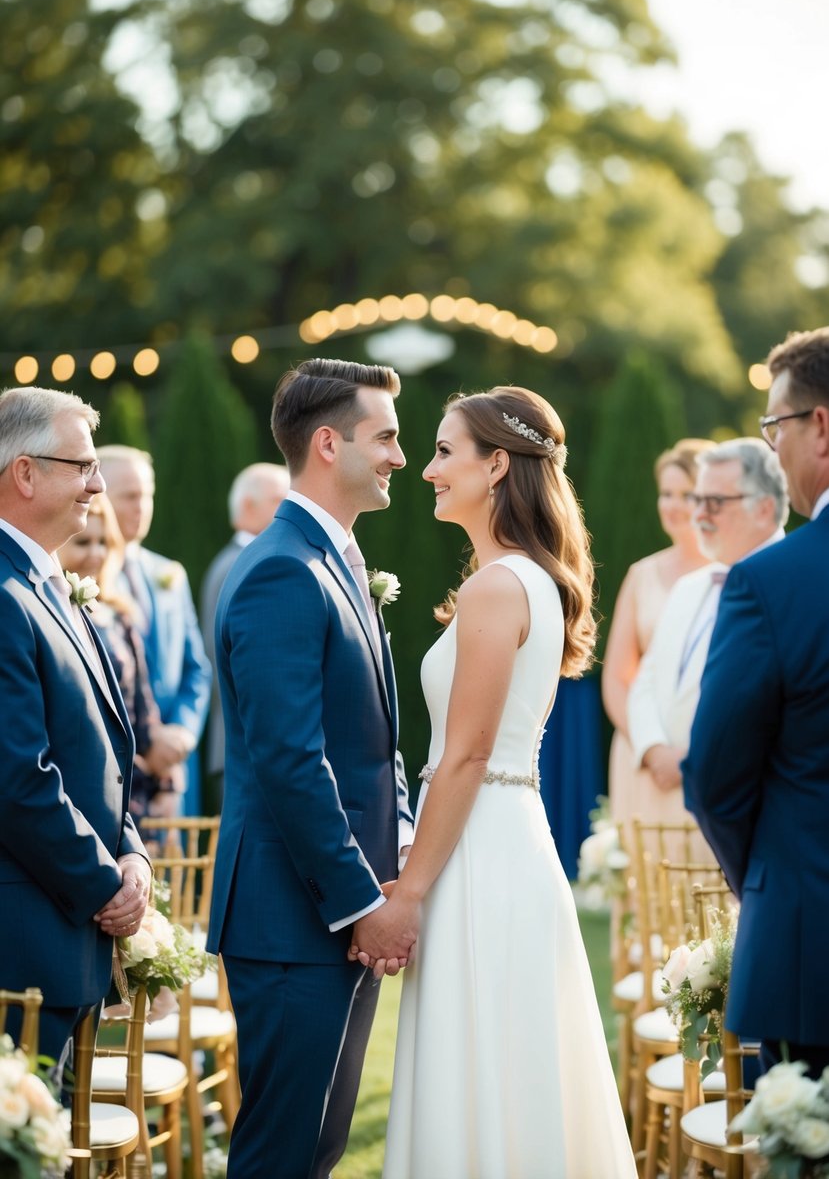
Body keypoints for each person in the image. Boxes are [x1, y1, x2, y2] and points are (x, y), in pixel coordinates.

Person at [372, 386, 636, 1178]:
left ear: (495, 465)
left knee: (480, 1045)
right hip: (499, 838)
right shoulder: (525, 579)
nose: (426, 470)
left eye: (444, 452)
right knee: (507, 1057)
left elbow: (464, 755)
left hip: (479, 849)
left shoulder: (498, 587)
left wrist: (408, 892)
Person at [206, 359, 413, 1179]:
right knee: (281, 1153)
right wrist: (360, 901)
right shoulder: (283, 571)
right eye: (387, 437)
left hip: (333, 910)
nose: (399, 455)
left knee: (319, 1148)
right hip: (292, 918)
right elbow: (291, 763)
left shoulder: (338, 561)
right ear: (329, 444)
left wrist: (389, 861)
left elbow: (371, 744)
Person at [684, 327, 829, 1078]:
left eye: (774, 425)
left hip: (810, 947)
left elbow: (713, 773)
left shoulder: (771, 583)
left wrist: (766, 879)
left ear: (820, 427)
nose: (771, 446)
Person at [0, 387, 150, 1069]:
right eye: (82, 466)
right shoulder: (5, 596)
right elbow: (16, 776)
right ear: (24, 473)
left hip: (65, 934)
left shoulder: (49, 580)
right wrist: (104, 883)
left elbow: (103, 752)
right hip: (25, 939)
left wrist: (134, 854)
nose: (99, 485)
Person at [627, 438, 788, 821]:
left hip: (753, 811)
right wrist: (653, 749)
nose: (698, 514)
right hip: (664, 806)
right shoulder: (689, 588)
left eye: (714, 503)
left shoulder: (796, 585)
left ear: (764, 508)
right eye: (697, 500)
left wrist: (698, 758)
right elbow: (646, 681)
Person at [603, 439, 713, 834]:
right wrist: (651, 749)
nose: (673, 505)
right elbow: (617, 678)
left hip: (707, 761)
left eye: (687, 493)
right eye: (666, 493)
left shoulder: (733, 576)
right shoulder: (642, 575)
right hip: (642, 759)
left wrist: (694, 753)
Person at [97, 444, 212, 817]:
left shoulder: (169, 575)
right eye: (129, 496)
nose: (141, 506)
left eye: (147, 495)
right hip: (116, 770)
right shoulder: (81, 573)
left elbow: (197, 667)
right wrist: (145, 744)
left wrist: (182, 733)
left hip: (174, 768)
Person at [59, 492, 174, 822]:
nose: (95, 554)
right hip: (71, 787)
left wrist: (166, 783)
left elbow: (143, 709)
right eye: (84, 543)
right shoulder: (48, 613)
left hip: (129, 790)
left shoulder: (122, 617)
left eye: (104, 542)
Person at [200, 462, 290, 806]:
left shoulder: (244, 561)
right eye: (279, 500)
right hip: (251, 750)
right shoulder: (242, 565)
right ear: (248, 507)